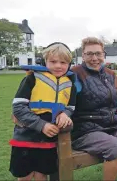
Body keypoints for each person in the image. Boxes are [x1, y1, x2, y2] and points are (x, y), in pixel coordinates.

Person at [70, 37, 117, 181]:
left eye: (98, 53)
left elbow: (108, 100)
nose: (94, 58)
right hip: (86, 128)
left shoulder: (109, 74)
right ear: (83, 55)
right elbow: (65, 101)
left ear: (103, 54)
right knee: (116, 148)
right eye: (90, 54)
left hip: (113, 124)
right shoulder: (75, 74)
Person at [9, 43, 77, 181]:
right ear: (44, 61)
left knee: (42, 174)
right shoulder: (32, 78)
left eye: (63, 62)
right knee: (25, 176)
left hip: (48, 140)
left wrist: (65, 114)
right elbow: (18, 107)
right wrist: (42, 125)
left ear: (69, 64)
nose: (58, 65)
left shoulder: (70, 85)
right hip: (26, 136)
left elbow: (70, 107)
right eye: (53, 61)